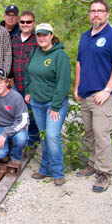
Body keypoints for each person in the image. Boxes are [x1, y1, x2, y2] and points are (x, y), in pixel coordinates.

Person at [74, 0, 112, 193]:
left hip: (103, 95)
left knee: (101, 133)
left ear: (107, 14)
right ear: (89, 14)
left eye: (100, 11)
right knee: (90, 132)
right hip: (86, 94)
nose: (96, 14)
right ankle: (93, 163)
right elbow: (79, 63)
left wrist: (107, 90)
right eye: (93, 11)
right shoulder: (85, 37)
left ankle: (104, 173)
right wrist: (77, 87)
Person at [24, 23, 70, 186]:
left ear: (51, 35)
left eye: (45, 34)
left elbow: (63, 82)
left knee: (52, 135)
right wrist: (28, 91)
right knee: (44, 137)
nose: (42, 38)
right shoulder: (35, 52)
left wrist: (56, 106)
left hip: (53, 104)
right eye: (39, 35)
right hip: (37, 102)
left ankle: (58, 172)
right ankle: (45, 169)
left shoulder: (60, 56)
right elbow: (28, 73)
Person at [11, 11, 41, 156]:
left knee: (32, 116)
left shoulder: (38, 40)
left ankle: (33, 144)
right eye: (22, 22)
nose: (25, 25)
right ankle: (16, 142)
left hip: (32, 87)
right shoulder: (14, 40)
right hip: (16, 85)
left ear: (33, 23)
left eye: (28, 22)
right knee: (16, 115)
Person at [0, 68, 29, 163]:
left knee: (21, 138)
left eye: (1, 82)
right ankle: (7, 148)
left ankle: (15, 157)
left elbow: (24, 120)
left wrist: (5, 133)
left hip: (14, 127)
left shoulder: (16, 97)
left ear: (7, 83)